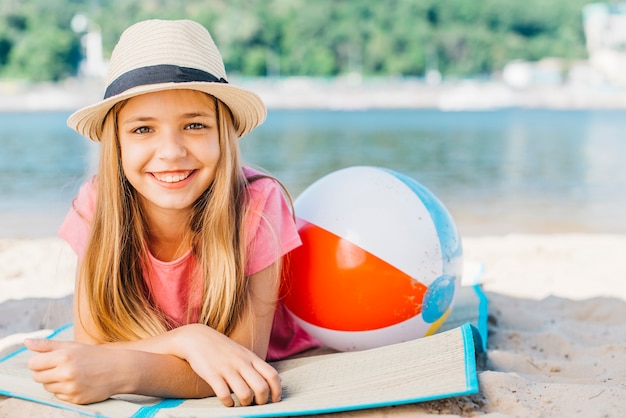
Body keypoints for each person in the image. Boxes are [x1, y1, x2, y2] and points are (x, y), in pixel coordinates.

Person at [23, 19, 319, 408]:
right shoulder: (97, 204)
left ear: (224, 133)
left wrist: (126, 370)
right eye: (143, 130)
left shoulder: (258, 204)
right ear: (116, 143)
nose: (171, 152)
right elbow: (92, 343)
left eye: (195, 125)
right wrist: (187, 339)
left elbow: (244, 363)